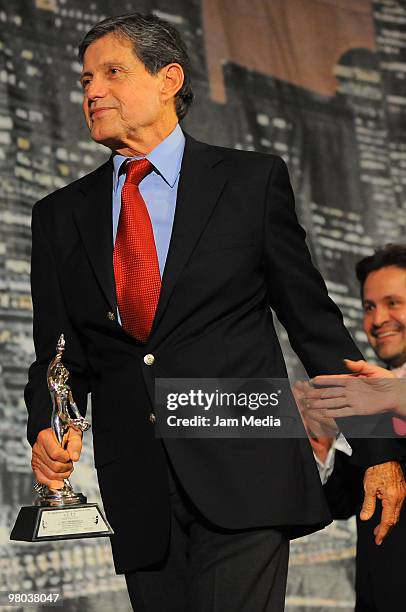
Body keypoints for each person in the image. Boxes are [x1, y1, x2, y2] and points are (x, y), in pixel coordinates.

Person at [25, 14, 406, 612]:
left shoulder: (251, 183)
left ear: (168, 79)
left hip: (246, 470)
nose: (92, 91)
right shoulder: (58, 216)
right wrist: (47, 427)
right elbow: (57, 355)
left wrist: (379, 452)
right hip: (141, 490)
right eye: (84, 80)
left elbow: (313, 325)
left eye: (112, 72)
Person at [300, 244, 406, 611]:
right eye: (369, 307)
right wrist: (323, 446)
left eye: (394, 303)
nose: (378, 320)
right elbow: (344, 504)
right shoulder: (362, 401)